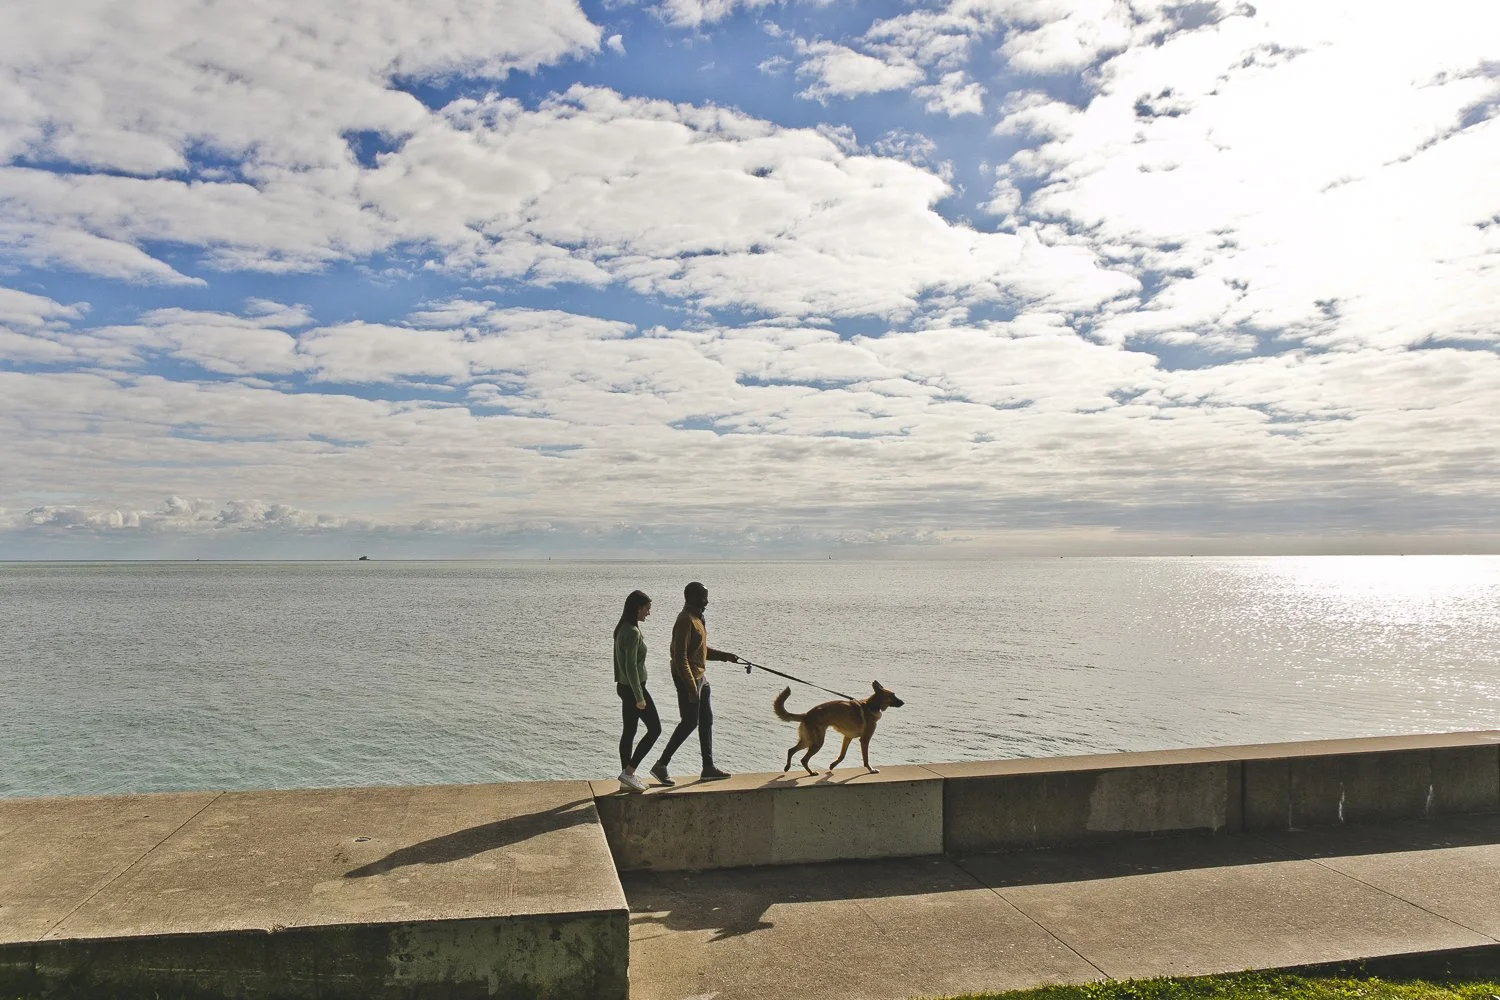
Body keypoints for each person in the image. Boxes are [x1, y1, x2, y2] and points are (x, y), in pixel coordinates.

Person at [650, 581, 744, 784]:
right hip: (687, 678)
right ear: (692, 598)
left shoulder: (698, 618)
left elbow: (701, 650)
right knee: (689, 722)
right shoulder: (685, 620)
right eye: (703, 598)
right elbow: (679, 657)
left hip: (701, 677)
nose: (707, 602)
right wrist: (692, 688)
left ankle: (708, 767)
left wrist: (726, 656)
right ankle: (661, 764)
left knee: (706, 720)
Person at [613, 590, 661, 793]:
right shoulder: (632, 632)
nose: (649, 612)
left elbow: (621, 665)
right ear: (637, 608)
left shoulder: (622, 628)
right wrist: (639, 697)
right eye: (647, 608)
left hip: (625, 687)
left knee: (629, 731)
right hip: (635, 689)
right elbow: (631, 666)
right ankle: (629, 772)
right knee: (655, 729)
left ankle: (626, 778)